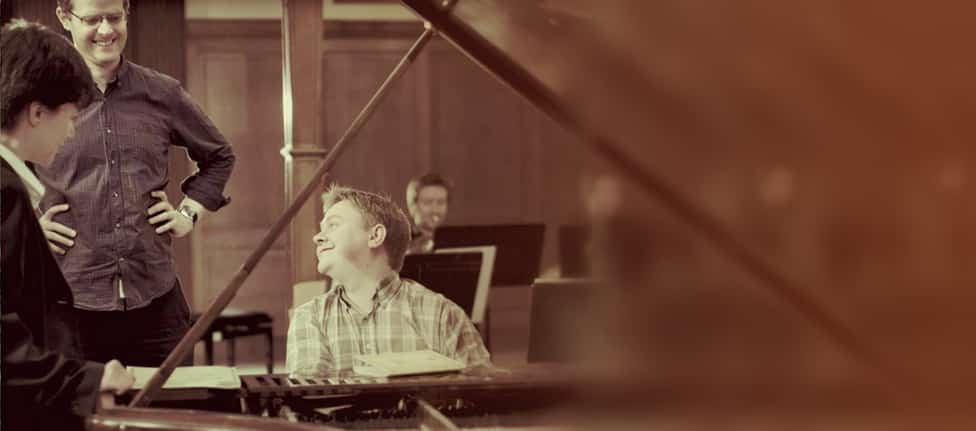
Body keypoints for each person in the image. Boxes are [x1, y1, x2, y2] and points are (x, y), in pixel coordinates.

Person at [37, 0, 236, 366]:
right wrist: (27, 227)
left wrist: (188, 213)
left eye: (115, 17)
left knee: (171, 415)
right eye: (93, 19)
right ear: (65, 18)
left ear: (127, 14)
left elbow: (220, 156)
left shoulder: (162, 93)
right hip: (70, 301)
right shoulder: (38, 97)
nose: (106, 30)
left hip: (156, 299)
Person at [0, 19, 134, 430]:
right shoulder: (3, 191)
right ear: (37, 112)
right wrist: (86, 381)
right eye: (71, 117)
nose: (72, 131)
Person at [286, 185, 490, 376]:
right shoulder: (309, 318)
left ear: (375, 236)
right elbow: (304, 404)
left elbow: (484, 395)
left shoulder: (443, 314)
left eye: (333, 225)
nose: (317, 237)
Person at [405, 173, 451, 254]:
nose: (435, 210)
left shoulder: (454, 241)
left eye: (441, 202)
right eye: (428, 202)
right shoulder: (399, 243)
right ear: (412, 206)